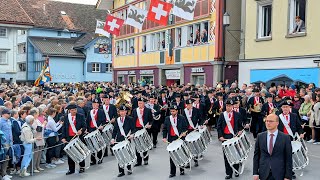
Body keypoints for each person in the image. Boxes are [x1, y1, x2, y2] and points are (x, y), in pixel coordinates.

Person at [253, 114, 292, 180]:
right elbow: (256, 156)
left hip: (279, 173)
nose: (268, 123)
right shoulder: (260, 136)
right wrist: (255, 173)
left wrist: (287, 176)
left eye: (271, 121)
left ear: (277, 123)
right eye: (266, 121)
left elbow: (288, 158)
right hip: (263, 172)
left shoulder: (285, 138)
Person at [217, 99, 243, 179]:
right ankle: (228, 173)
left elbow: (240, 126)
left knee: (236, 154)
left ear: (232, 106)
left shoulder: (237, 114)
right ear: (225, 106)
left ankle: (236, 170)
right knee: (227, 155)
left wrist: (240, 131)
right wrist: (220, 136)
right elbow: (219, 126)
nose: (229, 107)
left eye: (230, 106)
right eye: (227, 106)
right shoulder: (222, 115)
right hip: (225, 137)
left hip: (234, 136)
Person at [162, 103, 188, 178]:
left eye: (173, 111)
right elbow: (165, 129)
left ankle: (182, 169)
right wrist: (164, 137)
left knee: (181, 153)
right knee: (172, 155)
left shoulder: (182, 118)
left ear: (177, 111)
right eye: (171, 111)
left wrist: (184, 133)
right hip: (171, 139)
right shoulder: (167, 118)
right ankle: (172, 172)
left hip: (179, 138)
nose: (172, 113)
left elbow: (185, 128)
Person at [61, 104, 87, 175]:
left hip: (78, 137)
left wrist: (81, 131)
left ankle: (82, 167)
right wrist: (63, 137)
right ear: (69, 111)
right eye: (72, 110)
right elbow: (64, 128)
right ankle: (71, 169)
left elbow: (84, 126)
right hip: (69, 137)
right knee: (70, 154)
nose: (74, 111)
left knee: (80, 152)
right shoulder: (66, 117)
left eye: (75, 110)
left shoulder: (80, 116)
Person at [110, 105, 135, 177]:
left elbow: (133, 128)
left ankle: (129, 168)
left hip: (127, 139)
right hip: (119, 139)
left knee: (127, 154)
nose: (122, 113)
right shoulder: (117, 120)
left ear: (126, 112)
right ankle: (121, 171)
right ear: (119, 112)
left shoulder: (130, 119)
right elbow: (115, 131)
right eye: (121, 111)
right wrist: (112, 138)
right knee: (119, 155)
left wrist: (132, 135)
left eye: (123, 111)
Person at [132, 97, 153, 166]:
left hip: (144, 129)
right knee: (137, 145)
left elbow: (151, 119)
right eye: (138, 103)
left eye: (141, 103)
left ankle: (146, 159)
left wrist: (150, 124)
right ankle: (138, 161)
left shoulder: (148, 110)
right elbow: (133, 120)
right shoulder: (135, 110)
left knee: (144, 144)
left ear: (144, 103)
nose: (139, 104)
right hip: (137, 129)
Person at [182, 99, 203, 167]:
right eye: (188, 105)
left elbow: (201, 118)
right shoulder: (184, 111)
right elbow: (182, 120)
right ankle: (188, 161)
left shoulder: (196, 110)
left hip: (194, 129)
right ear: (186, 105)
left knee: (194, 145)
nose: (190, 106)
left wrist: (200, 125)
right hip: (187, 130)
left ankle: (195, 159)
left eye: (191, 104)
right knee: (187, 146)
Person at [86, 98, 106, 165]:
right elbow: (87, 121)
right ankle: (93, 160)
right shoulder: (90, 111)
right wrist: (87, 129)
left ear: (98, 104)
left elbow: (104, 121)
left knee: (98, 144)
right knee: (91, 145)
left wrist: (102, 126)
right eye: (94, 104)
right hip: (91, 129)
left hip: (98, 129)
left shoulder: (101, 111)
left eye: (97, 104)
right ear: (92, 104)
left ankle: (100, 158)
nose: (95, 105)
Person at [0, 109, 13, 180]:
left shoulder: (9, 121)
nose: (9, 114)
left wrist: (12, 139)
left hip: (9, 142)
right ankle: (2, 175)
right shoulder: (0, 121)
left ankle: (4, 173)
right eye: (8, 113)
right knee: (2, 159)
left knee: (7, 158)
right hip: (3, 143)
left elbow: (10, 131)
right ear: (4, 114)